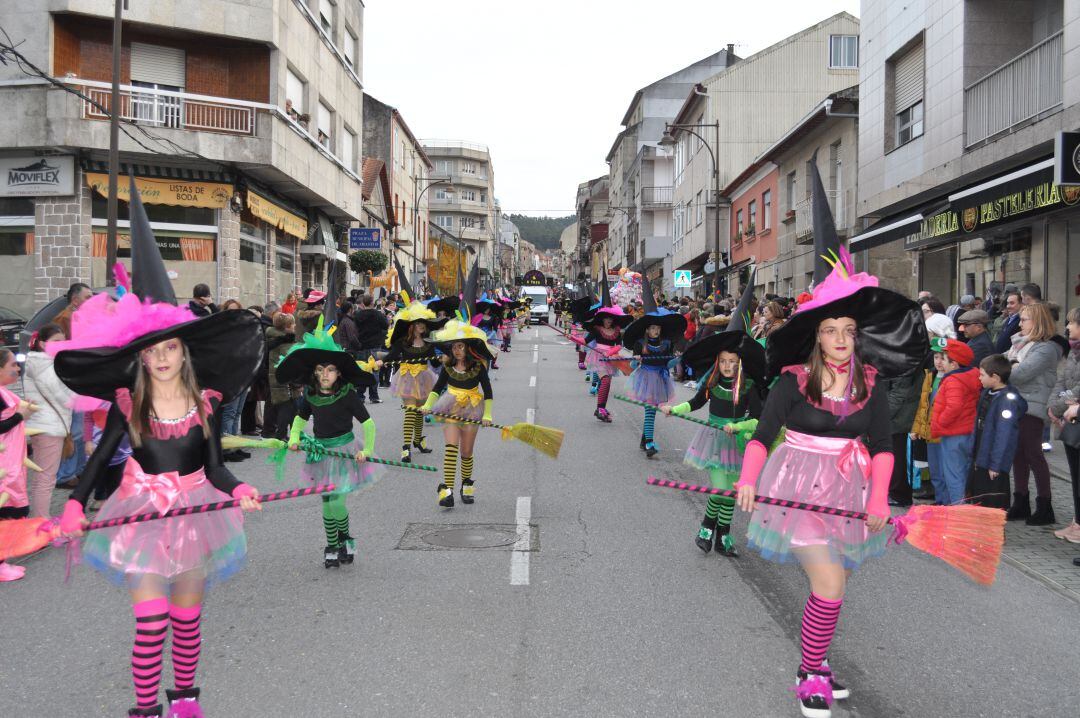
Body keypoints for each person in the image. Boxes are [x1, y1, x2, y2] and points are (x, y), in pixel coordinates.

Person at [52, 260, 264, 717]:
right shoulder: (127, 404)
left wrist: (239, 487)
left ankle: (185, 701)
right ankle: (145, 710)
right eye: (153, 351)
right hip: (141, 514)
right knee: (151, 625)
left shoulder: (205, 405)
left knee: (186, 623)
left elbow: (215, 470)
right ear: (141, 357)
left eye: (171, 347)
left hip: (194, 517)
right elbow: (93, 464)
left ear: (184, 352)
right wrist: (72, 505)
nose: (163, 357)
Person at [733, 250, 928, 717]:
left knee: (835, 581)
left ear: (858, 337)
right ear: (816, 337)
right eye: (829, 330)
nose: (840, 339)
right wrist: (746, 480)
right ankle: (810, 674)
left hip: (849, 491)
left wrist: (880, 497)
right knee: (829, 583)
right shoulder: (792, 383)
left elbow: (883, 447)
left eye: (848, 330)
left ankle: (815, 661)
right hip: (795, 491)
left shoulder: (871, 384)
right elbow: (761, 437)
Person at [664, 282, 765, 557]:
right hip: (714, 441)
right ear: (717, 362)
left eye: (733, 362)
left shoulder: (749, 386)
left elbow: (758, 419)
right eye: (723, 362)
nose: (728, 366)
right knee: (720, 489)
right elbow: (696, 403)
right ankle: (706, 528)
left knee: (731, 492)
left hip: (738, 442)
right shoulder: (711, 383)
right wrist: (675, 409)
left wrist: (739, 425)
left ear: (740, 363)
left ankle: (723, 536)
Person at [277, 319, 378, 568]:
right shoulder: (310, 395)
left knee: (337, 502)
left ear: (339, 373)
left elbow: (368, 423)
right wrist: (293, 438)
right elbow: (299, 420)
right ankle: (333, 545)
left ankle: (345, 539)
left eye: (330, 370)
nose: (325, 375)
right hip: (320, 454)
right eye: (320, 370)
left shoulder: (347, 395)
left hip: (345, 452)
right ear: (314, 373)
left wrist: (366, 450)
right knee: (326, 501)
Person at [421, 320, 495, 508]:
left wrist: (487, 415)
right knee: (451, 448)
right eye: (454, 347)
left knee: (466, 452)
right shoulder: (448, 366)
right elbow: (437, 388)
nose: (456, 350)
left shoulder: (478, 367)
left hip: (472, 408)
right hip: (451, 408)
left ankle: (466, 485)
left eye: (460, 346)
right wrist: (428, 405)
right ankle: (447, 491)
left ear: (468, 348)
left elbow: (488, 392)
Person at [1006, 301, 1065, 524]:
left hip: (1033, 406)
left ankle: (1045, 504)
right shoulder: (1020, 343)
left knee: (1034, 455)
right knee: (1017, 455)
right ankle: (1021, 501)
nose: (1020, 323)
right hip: (1016, 404)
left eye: (1024, 319)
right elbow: (1002, 363)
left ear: (1037, 321)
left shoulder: (1047, 348)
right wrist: (1011, 365)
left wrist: (1010, 366)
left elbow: (1019, 374)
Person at [622, 278, 685, 458]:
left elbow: (668, 364)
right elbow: (634, 366)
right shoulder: (640, 343)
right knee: (650, 410)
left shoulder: (666, 343)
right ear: (647, 330)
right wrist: (635, 359)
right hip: (645, 378)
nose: (655, 331)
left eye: (657, 328)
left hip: (661, 378)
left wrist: (677, 359)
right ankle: (649, 443)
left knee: (652, 411)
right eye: (652, 328)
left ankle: (644, 439)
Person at [22, 323, 75, 517]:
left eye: (63, 341)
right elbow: (67, 398)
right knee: (45, 479)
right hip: (48, 427)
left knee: (43, 478)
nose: (61, 345)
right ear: (43, 344)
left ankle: (39, 519)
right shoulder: (43, 365)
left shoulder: (45, 363)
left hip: (46, 425)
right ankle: (40, 522)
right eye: (56, 342)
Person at [383, 299, 445, 462]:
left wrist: (445, 358)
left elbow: (435, 362)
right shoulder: (402, 342)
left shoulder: (429, 343)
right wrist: (378, 362)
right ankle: (406, 447)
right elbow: (391, 357)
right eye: (418, 323)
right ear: (412, 326)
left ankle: (418, 440)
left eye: (423, 323)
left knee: (419, 412)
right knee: (411, 411)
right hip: (407, 378)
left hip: (424, 378)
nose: (421, 326)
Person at [968, 354, 1026, 509]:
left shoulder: (1006, 401)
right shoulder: (987, 393)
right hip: (981, 457)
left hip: (993, 464)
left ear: (995, 377)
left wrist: (996, 465)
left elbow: (1003, 435)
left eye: (982, 375)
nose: (979, 378)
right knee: (979, 499)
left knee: (992, 503)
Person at [928, 338, 980, 506]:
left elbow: (954, 407)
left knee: (953, 476)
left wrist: (940, 423)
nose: (941, 362)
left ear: (955, 363)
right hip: (965, 431)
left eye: (945, 359)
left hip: (954, 433)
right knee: (962, 473)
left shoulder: (953, 380)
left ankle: (958, 512)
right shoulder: (970, 375)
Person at [0, 347, 36, 582]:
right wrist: (19, 416)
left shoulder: (3, 392)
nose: (17, 368)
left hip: (10, 463)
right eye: (12, 364)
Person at [1049, 307, 1080, 541]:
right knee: (1075, 476)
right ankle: (1076, 522)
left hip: (1075, 416)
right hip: (1069, 419)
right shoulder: (1073, 352)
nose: (1068, 327)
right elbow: (1062, 380)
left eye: (1072, 323)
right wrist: (1056, 404)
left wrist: (1062, 403)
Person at [584, 306, 631, 423]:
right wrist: (572, 337)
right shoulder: (597, 329)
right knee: (605, 380)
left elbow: (619, 345)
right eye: (606, 318)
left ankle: (601, 408)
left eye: (611, 318)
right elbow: (585, 341)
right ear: (602, 319)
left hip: (610, 358)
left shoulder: (616, 330)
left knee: (607, 382)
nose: (609, 320)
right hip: (598, 357)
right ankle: (600, 409)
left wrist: (610, 352)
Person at [352, 294, 390, 403]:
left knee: (362, 370)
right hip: (375, 345)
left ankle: (360, 396)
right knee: (375, 370)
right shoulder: (377, 314)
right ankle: (374, 396)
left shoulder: (358, 315)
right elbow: (385, 325)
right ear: (373, 303)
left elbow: (355, 329)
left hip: (362, 345)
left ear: (363, 303)